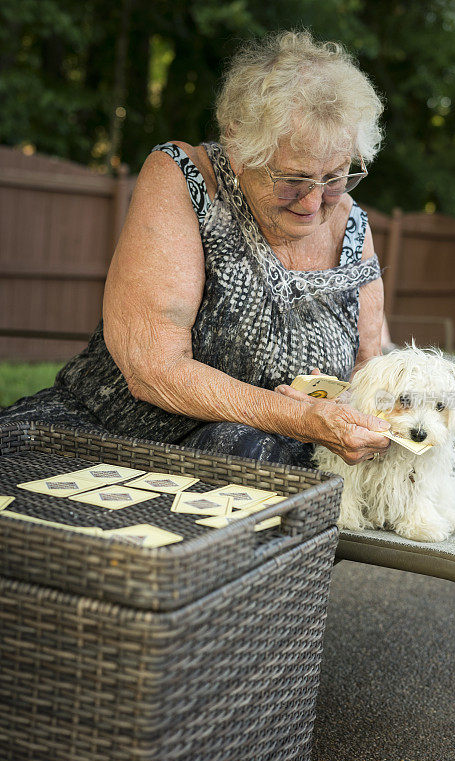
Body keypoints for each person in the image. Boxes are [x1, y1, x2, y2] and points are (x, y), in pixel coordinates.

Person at [0, 30, 390, 467]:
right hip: (111, 444)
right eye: (293, 180)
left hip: (269, 464)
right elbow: (155, 368)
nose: (314, 201)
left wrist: (342, 401)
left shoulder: (352, 224)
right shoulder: (185, 179)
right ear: (238, 147)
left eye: (335, 177)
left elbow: (372, 368)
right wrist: (297, 416)